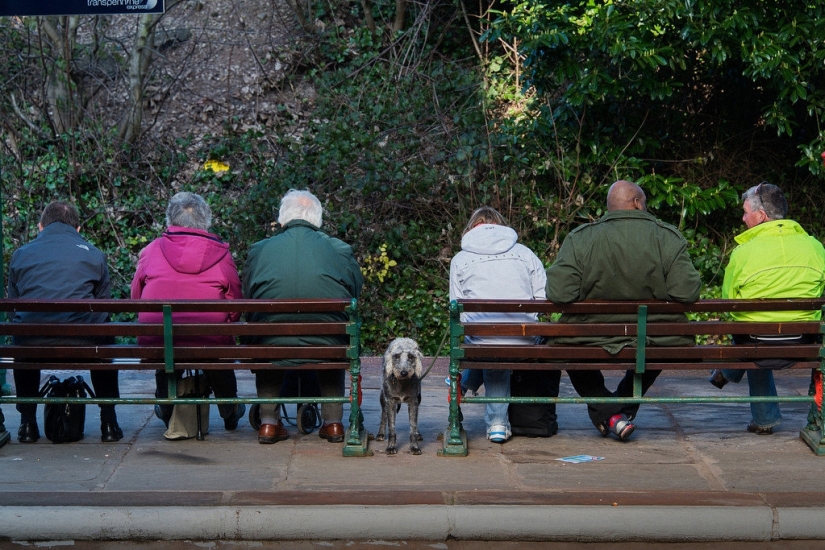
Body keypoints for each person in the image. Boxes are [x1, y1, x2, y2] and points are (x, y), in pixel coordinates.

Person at [546, 180, 702, 441]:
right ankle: (619, 412)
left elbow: (560, 293)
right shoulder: (666, 236)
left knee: (565, 345)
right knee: (662, 347)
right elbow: (687, 291)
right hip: (657, 335)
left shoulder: (581, 238)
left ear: (610, 207)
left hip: (590, 334)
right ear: (638, 203)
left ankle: (611, 414)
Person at [242, 189, 363, 444]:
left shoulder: (260, 250)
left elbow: (249, 294)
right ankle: (333, 423)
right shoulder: (339, 249)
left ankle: (268, 423)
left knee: (268, 333)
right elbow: (354, 292)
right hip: (327, 342)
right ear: (317, 220)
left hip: (270, 342)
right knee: (334, 334)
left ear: (283, 218)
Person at [709, 183, 825, 435]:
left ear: (761, 216)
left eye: (745, 212)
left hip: (756, 343)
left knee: (751, 337)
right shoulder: (815, 247)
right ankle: (733, 377)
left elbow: (729, 301)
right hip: (803, 342)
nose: (742, 217)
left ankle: (762, 417)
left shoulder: (743, 253)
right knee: (754, 335)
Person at [9, 201, 123, 443]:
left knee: (22, 337)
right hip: (85, 342)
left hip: (31, 343)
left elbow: (13, 309)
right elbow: (104, 310)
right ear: (78, 229)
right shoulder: (94, 254)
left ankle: (27, 424)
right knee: (105, 341)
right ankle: (109, 422)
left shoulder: (20, 255)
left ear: (41, 227)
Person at [131, 192, 246, 432]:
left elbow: (136, 297)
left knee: (167, 342)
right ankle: (229, 407)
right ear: (206, 220)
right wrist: (228, 324)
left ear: (170, 220)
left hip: (159, 338)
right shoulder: (221, 254)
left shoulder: (151, 250)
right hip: (209, 339)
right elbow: (235, 302)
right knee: (216, 343)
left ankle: (165, 403)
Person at [449, 206, 550, 443]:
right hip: (524, 338)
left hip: (481, 339)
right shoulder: (525, 253)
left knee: (490, 344)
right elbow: (544, 298)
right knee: (501, 341)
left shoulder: (460, 259)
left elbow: (456, 310)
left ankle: (495, 420)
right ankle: (485, 407)